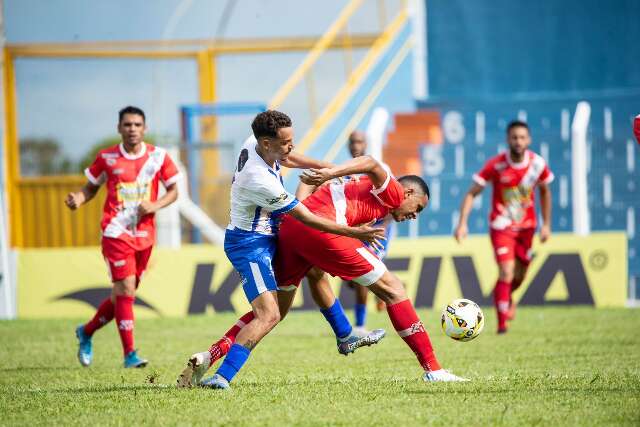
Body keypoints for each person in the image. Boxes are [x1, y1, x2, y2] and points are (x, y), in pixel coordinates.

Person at [185, 153, 467, 389]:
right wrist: (330, 172)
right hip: (320, 229)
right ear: (407, 193)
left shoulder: (363, 192)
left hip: (292, 229)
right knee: (394, 289)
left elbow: (305, 193)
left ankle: (220, 370)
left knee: (272, 312)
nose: (414, 215)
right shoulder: (392, 191)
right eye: (417, 207)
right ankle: (434, 369)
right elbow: (370, 161)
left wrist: (325, 178)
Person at [177, 110, 386, 389]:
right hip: (250, 246)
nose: (292, 146)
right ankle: (221, 376)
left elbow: (287, 158)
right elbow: (307, 218)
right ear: (266, 144)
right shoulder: (257, 178)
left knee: (312, 270)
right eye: (286, 141)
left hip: (272, 234)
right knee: (269, 315)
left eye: (292, 139)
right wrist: (355, 233)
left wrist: (328, 167)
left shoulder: (255, 142)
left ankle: (345, 335)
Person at [65, 106, 180, 368]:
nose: (132, 129)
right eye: (127, 125)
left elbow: (174, 191)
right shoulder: (107, 158)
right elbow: (90, 188)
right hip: (115, 231)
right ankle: (130, 354)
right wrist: (78, 199)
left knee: (122, 296)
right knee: (126, 289)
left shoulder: (158, 157)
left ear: (144, 128)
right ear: (119, 128)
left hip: (145, 234)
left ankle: (86, 331)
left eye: (137, 125)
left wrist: (155, 205)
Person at [454, 120, 554, 334]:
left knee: (520, 274)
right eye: (514, 137)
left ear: (529, 140)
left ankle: (506, 296)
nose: (518, 141)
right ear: (508, 140)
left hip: (527, 228)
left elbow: (545, 192)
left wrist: (546, 225)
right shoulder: (497, 165)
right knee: (507, 271)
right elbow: (472, 192)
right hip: (502, 227)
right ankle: (502, 325)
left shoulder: (537, 164)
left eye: (522, 137)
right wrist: (462, 224)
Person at [299, 131, 392, 336]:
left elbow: (392, 204)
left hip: (375, 229)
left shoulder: (380, 169)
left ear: (366, 144)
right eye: (352, 142)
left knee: (366, 274)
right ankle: (376, 296)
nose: (355, 145)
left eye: (359, 142)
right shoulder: (343, 170)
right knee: (353, 278)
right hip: (351, 227)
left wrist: (380, 227)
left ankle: (359, 324)